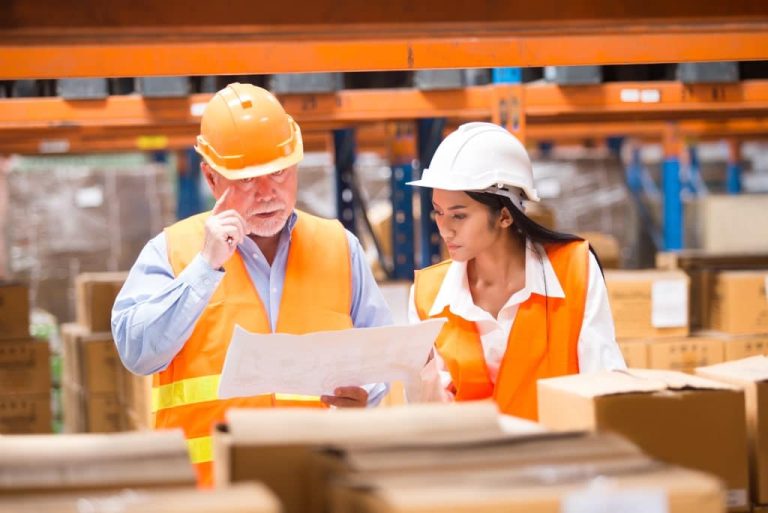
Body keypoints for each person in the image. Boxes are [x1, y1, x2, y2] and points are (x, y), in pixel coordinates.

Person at [112, 83, 392, 486]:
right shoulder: (173, 253)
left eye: (278, 172)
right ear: (211, 178)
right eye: (246, 179)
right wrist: (204, 268)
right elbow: (137, 353)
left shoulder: (339, 247)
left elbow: (383, 356)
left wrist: (366, 392)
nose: (266, 194)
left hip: (317, 489)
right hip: (212, 496)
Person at [407, 122, 625, 419]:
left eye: (459, 215)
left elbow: (604, 386)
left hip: (559, 456)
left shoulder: (573, 270)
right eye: (438, 212)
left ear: (505, 216)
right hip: (469, 460)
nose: (444, 229)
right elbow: (428, 413)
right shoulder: (428, 294)